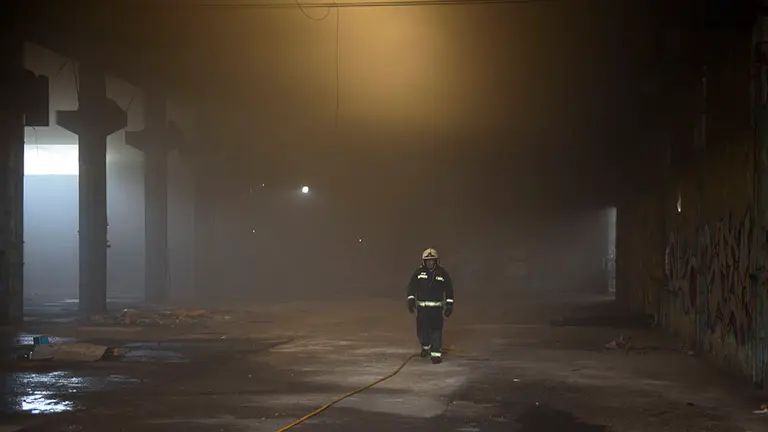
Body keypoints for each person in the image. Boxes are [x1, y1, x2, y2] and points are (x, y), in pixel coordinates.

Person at [407, 248, 454, 364]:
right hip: (422, 310)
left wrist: (449, 305)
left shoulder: (442, 274)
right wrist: (411, 300)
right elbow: (411, 287)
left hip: (436, 310)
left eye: (432, 260)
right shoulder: (419, 273)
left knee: (436, 331)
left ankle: (436, 355)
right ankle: (425, 346)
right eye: (427, 261)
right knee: (422, 332)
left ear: (436, 261)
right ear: (424, 261)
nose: (430, 263)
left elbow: (449, 290)